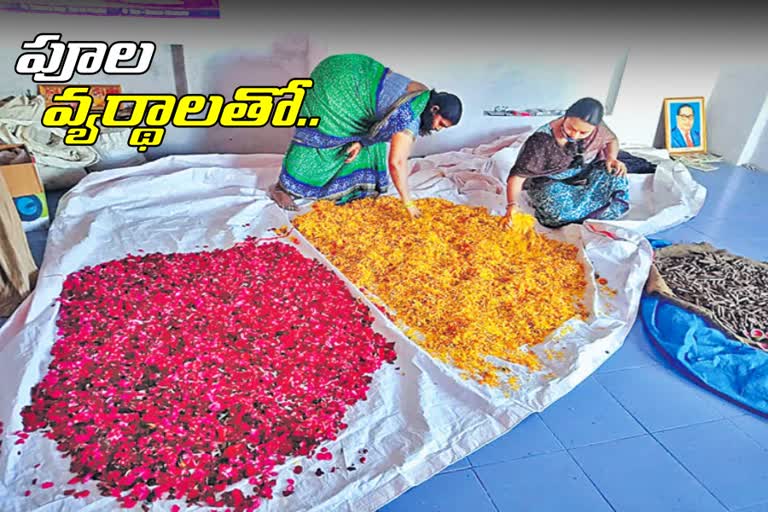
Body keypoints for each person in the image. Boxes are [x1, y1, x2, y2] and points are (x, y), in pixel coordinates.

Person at [269, 53, 462, 218]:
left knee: (371, 145)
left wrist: (362, 142)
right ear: (434, 109)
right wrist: (409, 203)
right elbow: (397, 162)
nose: (438, 129)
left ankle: (353, 188)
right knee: (323, 139)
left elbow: (381, 123)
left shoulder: (423, 94)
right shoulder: (408, 116)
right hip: (336, 85)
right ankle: (282, 188)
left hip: (353, 68)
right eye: (440, 124)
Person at [503, 97, 629, 228]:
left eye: (583, 132)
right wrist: (512, 205)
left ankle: (583, 206)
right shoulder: (541, 140)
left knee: (616, 172)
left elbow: (611, 140)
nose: (575, 135)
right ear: (565, 116)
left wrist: (611, 157)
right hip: (550, 182)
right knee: (558, 212)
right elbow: (517, 177)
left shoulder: (598, 128)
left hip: (583, 173)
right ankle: (584, 209)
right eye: (571, 128)